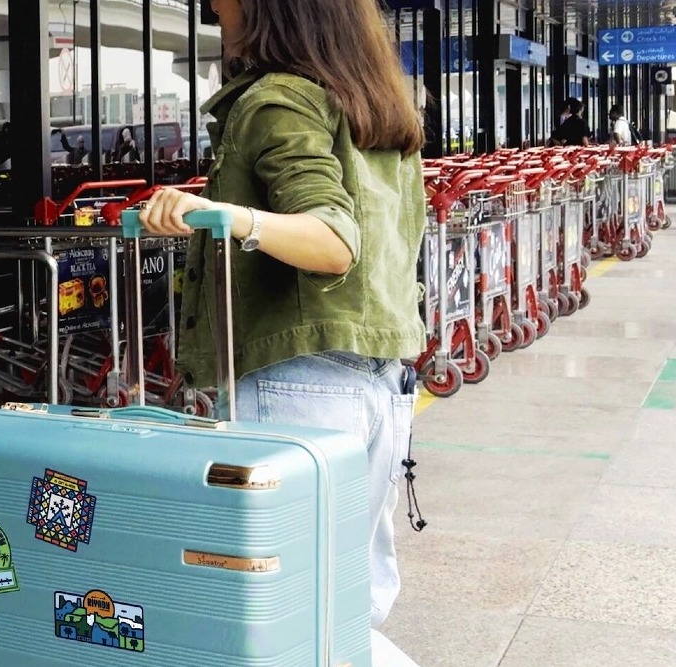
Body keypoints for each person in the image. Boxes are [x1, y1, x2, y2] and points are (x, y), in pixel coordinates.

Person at [136, 0, 426, 659]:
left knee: (279, 613)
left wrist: (225, 215)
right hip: (380, 380)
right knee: (341, 610)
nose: (214, 6)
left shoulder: (277, 100)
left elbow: (333, 238)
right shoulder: (374, 106)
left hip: (298, 381)